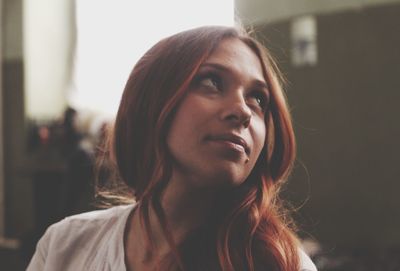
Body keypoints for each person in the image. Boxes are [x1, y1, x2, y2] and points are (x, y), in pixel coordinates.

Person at [27, 26, 317, 271]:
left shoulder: (282, 263)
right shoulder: (64, 247)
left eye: (258, 99)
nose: (243, 111)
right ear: (150, 102)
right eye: (212, 81)